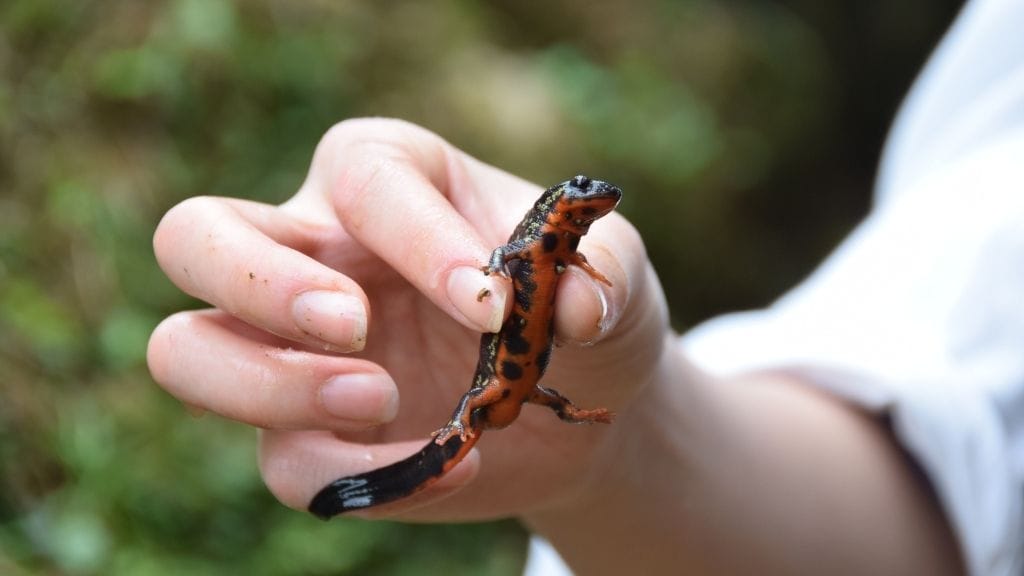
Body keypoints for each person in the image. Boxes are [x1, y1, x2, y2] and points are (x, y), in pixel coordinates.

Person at [147, 0, 1023, 572]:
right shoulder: (533, 245)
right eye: (583, 197)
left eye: (594, 202)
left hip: (512, 387)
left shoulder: (562, 253)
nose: (597, 203)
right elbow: (964, 454)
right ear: (559, 209)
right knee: (519, 392)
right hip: (497, 389)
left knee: (528, 391)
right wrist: (621, 458)